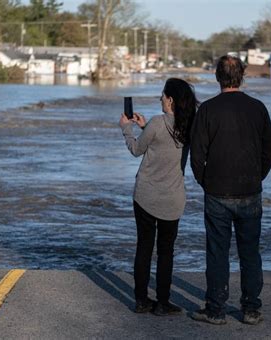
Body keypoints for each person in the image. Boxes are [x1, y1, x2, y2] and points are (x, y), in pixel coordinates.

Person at [190, 55, 271, 325]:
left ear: (217, 77)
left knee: (217, 252)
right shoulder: (258, 108)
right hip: (250, 190)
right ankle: (251, 309)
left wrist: (207, 181)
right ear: (242, 77)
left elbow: (196, 155)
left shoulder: (206, 110)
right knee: (250, 252)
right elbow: (269, 152)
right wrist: (255, 177)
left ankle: (216, 309)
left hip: (217, 191)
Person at [119, 78, 198, 316]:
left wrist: (127, 128)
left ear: (171, 100)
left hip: (145, 195)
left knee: (144, 247)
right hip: (173, 199)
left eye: (162, 96)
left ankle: (141, 301)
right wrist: (145, 128)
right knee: (166, 252)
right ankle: (163, 302)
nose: (160, 99)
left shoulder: (156, 123)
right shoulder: (190, 126)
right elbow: (167, 143)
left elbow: (136, 150)